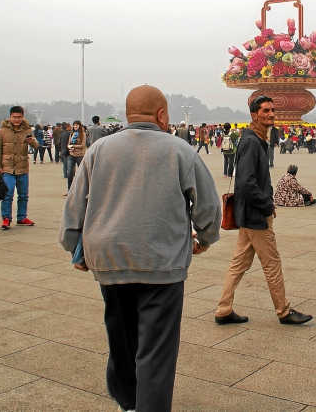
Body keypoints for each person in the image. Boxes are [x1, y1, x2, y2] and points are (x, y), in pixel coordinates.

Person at [60, 85, 221, 412]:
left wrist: (74, 246)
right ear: (161, 115)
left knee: (121, 335)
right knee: (156, 349)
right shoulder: (181, 151)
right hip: (161, 263)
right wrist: (203, 238)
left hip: (109, 258)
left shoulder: (99, 150)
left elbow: (75, 205)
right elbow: (208, 208)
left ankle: (128, 401)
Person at [215, 95, 312, 326]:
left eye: (272, 110)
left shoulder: (256, 139)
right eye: (265, 111)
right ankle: (284, 311)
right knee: (272, 263)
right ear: (254, 115)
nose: (270, 114)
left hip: (248, 214)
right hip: (255, 215)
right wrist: (267, 204)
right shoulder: (251, 142)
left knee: (239, 263)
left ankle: (224, 309)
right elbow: (247, 182)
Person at [0, 106, 38, 230]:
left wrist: (32, 142)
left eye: (19, 117)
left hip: (22, 166)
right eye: (14, 117)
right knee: (7, 194)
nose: (16, 120)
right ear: (10, 117)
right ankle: (6, 218)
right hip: (7, 167)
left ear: (23, 117)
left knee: (23, 194)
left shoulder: (27, 130)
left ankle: (22, 217)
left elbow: (36, 145)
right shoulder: (2, 131)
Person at [66, 121, 87, 192]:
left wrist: (74, 146)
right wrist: (69, 147)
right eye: (74, 125)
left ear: (79, 126)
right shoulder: (72, 133)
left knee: (82, 172)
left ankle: (83, 189)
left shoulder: (83, 134)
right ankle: (69, 189)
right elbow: (69, 143)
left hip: (79, 155)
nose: (75, 127)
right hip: (71, 154)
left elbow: (82, 145)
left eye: (77, 125)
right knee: (70, 173)